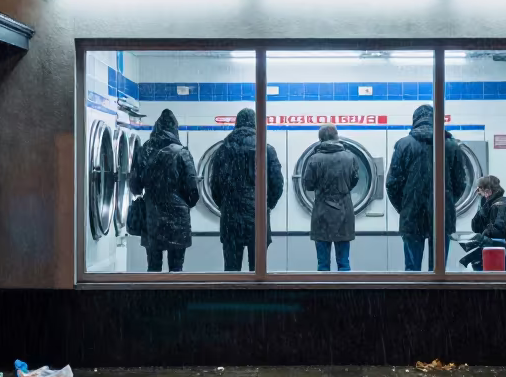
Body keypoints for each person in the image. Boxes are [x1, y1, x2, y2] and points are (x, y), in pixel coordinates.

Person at [386, 104, 468, 271]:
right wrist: (447, 201)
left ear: (415, 120)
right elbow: (460, 183)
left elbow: (392, 183)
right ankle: (436, 297)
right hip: (441, 214)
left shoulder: (404, 145)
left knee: (412, 270)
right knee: (438, 271)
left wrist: (405, 206)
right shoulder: (451, 145)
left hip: (412, 213)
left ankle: (412, 297)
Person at [210, 108, 284, 271]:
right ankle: (257, 296)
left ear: (237, 124)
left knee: (231, 269)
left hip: (231, 216)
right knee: (258, 270)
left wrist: (225, 205)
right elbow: (277, 184)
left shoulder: (223, 150)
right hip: (257, 215)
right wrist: (266, 204)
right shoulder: (266, 149)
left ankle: (231, 296)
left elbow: (214, 185)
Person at [128, 109, 199, 272]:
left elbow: (135, 187)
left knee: (153, 267)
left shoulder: (143, 151)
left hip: (152, 217)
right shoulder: (182, 153)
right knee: (176, 268)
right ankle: (175, 297)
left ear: (156, 128)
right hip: (178, 220)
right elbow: (193, 191)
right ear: (175, 130)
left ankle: (154, 297)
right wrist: (181, 204)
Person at [302, 124, 359, 271]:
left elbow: (307, 185)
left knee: (323, 264)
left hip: (322, 212)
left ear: (320, 139)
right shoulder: (350, 157)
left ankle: (323, 293)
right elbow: (355, 180)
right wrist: (342, 190)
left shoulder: (314, 159)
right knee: (344, 263)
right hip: (344, 211)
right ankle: (345, 293)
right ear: (337, 137)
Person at [467, 175, 506, 270]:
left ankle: (484, 279)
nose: (479, 194)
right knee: (476, 244)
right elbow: (476, 226)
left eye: (480, 192)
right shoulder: (495, 203)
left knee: (475, 252)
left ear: (488, 192)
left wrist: (484, 235)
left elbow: (498, 231)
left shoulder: (500, 205)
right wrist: (481, 202)